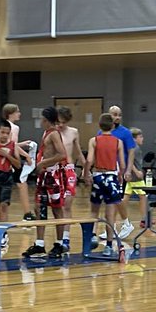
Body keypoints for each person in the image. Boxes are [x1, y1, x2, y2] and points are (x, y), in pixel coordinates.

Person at [23, 106, 69, 260]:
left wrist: (44, 163)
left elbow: (62, 154)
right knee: (39, 208)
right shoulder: (46, 133)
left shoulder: (54, 133)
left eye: (42, 118)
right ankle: (40, 243)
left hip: (53, 175)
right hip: (44, 175)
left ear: (46, 119)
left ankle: (59, 243)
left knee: (57, 209)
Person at [86, 112, 126, 256]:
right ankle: (109, 245)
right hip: (111, 176)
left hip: (98, 176)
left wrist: (86, 173)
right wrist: (120, 175)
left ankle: (92, 236)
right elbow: (122, 164)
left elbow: (89, 160)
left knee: (94, 211)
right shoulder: (118, 142)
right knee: (110, 214)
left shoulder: (94, 140)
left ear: (99, 125)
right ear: (113, 126)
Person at [57, 106, 86, 253]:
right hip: (55, 170)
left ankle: (66, 238)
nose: (60, 125)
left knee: (67, 205)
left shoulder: (73, 132)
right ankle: (60, 238)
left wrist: (86, 170)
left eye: (63, 122)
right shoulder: (52, 132)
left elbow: (79, 151)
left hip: (68, 169)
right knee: (58, 206)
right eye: (58, 122)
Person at [106, 105, 137, 240]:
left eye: (119, 114)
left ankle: (126, 223)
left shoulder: (125, 132)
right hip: (106, 170)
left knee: (117, 199)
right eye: (114, 114)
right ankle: (110, 227)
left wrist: (129, 170)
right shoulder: (102, 132)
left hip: (119, 171)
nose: (117, 117)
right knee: (108, 201)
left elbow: (131, 152)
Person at [2, 102, 37, 220]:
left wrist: (22, 144)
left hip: (3, 159)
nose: (19, 113)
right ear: (11, 113)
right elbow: (13, 146)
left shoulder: (4, 126)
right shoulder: (14, 127)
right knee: (22, 184)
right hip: (12, 160)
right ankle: (27, 213)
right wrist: (27, 156)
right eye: (17, 111)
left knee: (1, 187)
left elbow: (11, 144)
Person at [0, 119, 20, 234]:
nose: (5, 135)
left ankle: (4, 231)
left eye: (7, 133)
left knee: (4, 204)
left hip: (7, 176)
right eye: (3, 132)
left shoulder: (13, 146)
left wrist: (7, 155)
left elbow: (18, 165)